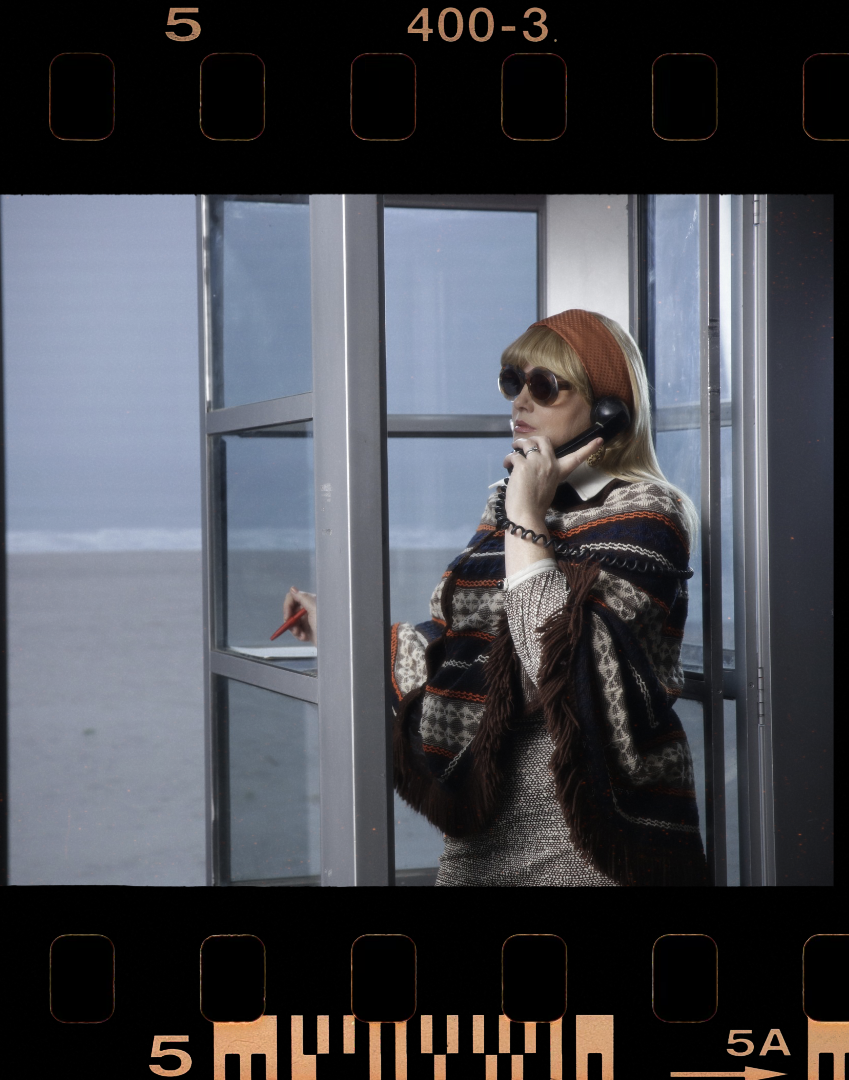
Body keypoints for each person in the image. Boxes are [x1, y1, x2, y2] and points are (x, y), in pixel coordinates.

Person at [283, 309, 709, 886]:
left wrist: (526, 517)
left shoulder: (648, 515)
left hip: (588, 837)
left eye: (545, 386)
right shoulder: (509, 508)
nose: (520, 402)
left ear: (608, 409)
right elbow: (460, 647)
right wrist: (336, 626)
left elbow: (557, 665)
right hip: (481, 834)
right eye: (513, 381)